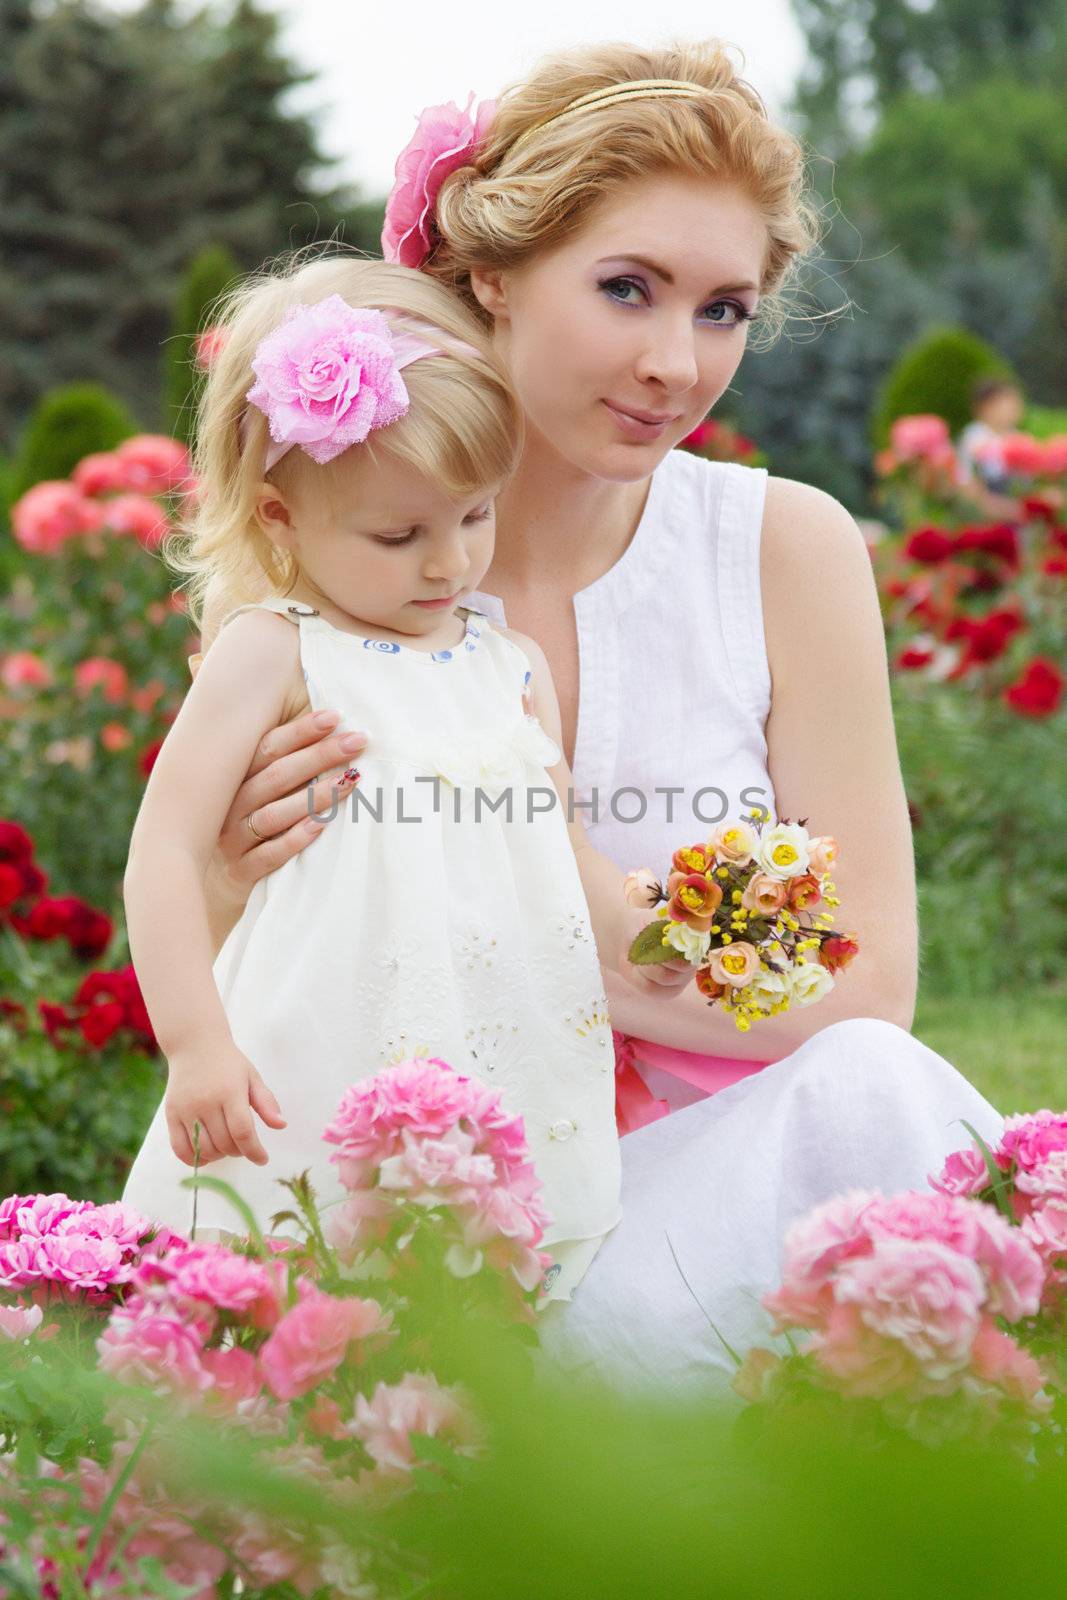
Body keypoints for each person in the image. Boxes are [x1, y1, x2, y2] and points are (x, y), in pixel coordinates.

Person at [189, 41, 1006, 1390]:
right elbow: (260, 986)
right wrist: (225, 878)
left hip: (728, 1200)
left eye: (721, 309)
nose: (672, 364)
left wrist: (528, 874)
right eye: (626, 289)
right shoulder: (329, 581)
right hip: (436, 1252)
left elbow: (860, 992)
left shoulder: (781, 552)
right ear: (491, 274)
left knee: (869, 1087)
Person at [120, 253, 694, 1307]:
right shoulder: (273, 652)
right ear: (281, 518)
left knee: (494, 1299)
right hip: (325, 1040)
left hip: (499, 1037)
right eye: (399, 535)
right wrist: (196, 1045)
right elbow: (163, 852)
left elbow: (554, 842)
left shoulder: (504, 662)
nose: (448, 566)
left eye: (474, 516)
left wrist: (637, 931)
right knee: (300, 1275)